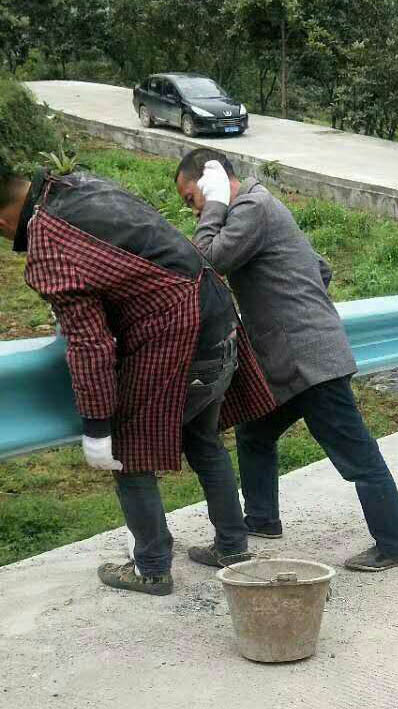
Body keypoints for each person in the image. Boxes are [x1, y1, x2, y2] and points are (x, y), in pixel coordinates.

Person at [0, 161, 276, 595]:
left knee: (127, 455)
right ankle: (232, 546)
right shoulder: (78, 183)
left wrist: (97, 425)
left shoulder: (48, 245)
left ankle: (151, 568)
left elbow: (90, 345)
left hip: (179, 338)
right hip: (219, 320)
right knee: (203, 440)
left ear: (2, 223)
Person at [174, 149, 398, 572]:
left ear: (212, 179)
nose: (194, 210)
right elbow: (320, 267)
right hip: (293, 358)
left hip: (309, 362)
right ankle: (262, 519)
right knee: (255, 433)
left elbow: (206, 262)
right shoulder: (260, 206)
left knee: (357, 456)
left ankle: (392, 546)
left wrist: (214, 206)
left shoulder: (250, 207)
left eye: (192, 199)